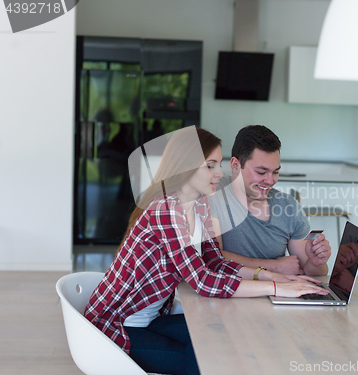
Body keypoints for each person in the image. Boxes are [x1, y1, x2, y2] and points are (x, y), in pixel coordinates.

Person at [84, 126, 328, 375]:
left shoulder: (200, 205)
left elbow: (214, 262)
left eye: (218, 164)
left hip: (151, 318)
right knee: (207, 355)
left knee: (221, 332)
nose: (219, 173)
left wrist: (268, 275)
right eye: (210, 165)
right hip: (118, 325)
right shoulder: (165, 209)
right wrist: (277, 288)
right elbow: (203, 281)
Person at [209, 125, 332, 276]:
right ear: (235, 165)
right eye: (261, 172)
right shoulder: (212, 192)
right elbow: (213, 259)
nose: (270, 180)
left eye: (275, 172)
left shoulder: (288, 206)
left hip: (276, 295)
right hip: (227, 295)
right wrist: (273, 266)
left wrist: (316, 262)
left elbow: (313, 272)